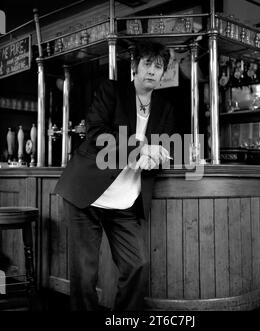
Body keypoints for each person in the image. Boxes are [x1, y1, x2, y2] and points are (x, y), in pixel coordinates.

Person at [54, 41, 175, 311]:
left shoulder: (165, 107)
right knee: (85, 275)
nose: (152, 71)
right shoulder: (112, 91)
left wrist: (158, 155)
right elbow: (96, 134)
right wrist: (142, 147)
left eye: (159, 67)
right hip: (87, 194)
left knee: (137, 265)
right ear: (134, 67)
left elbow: (164, 147)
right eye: (147, 64)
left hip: (125, 202)